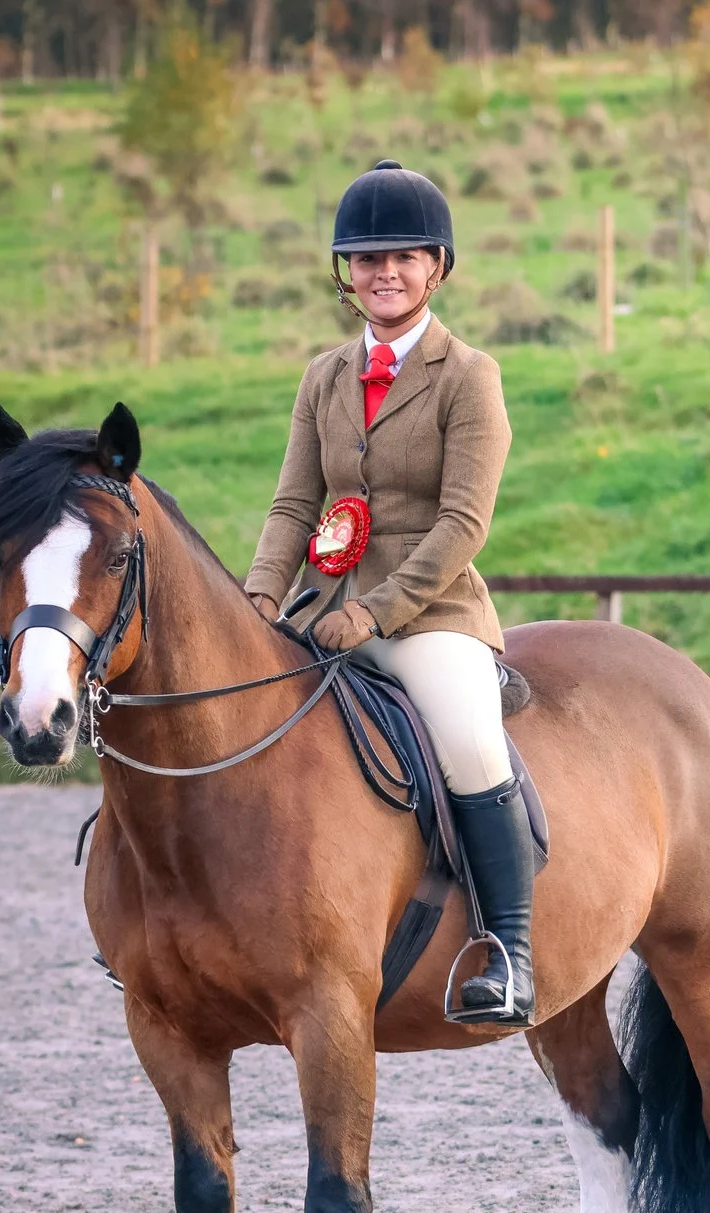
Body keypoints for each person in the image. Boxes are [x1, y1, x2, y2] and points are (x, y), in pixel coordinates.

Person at [244, 159, 534, 1027]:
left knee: (469, 740)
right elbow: (294, 505)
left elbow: (463, 524)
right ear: (346, 272)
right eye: (368, 259)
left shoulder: (469, 375)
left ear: (436, 266)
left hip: (429, 614)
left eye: (404, 257)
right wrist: (259, 601)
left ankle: (509, 951)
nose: (385, 273)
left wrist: (374, 612)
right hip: (322, 606)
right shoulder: (323, 378)